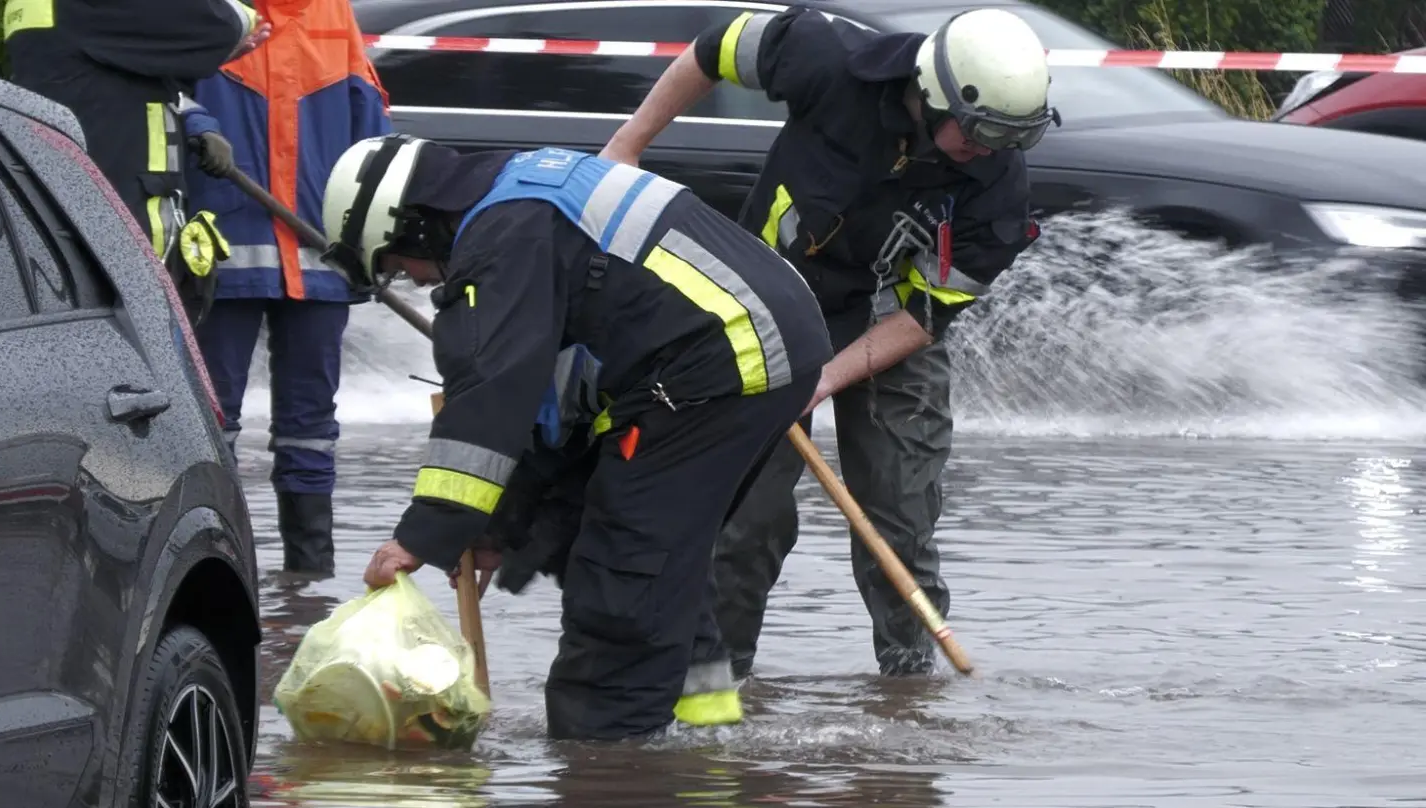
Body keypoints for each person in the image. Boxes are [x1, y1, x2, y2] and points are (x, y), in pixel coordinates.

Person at [323, 135, 834, 740]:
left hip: (719, 361)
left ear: (409, 224)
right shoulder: (521, 193)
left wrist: (423, 534)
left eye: (394, 265)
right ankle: (703, 731)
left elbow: (490, 396)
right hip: (753, 347)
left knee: (623, 568)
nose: (410, 278)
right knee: (647, 550)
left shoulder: (503, 237)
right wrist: (499, 525)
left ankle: (605, 760)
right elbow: (547, 397)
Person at [599, 7, 1058, 678]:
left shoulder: (999, 186)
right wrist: (627, 147)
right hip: (763, 314)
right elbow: (712, 49)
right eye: (981, 131)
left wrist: (822, 381)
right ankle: (718, 684)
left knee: (899, 520)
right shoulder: (824, 56)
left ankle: (910, 692)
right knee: (748, 518)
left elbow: (923, 317)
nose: (990, 150)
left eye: (1011, 138)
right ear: (935, 94)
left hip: (886, 329)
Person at [180, 0, 393, 577]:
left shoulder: (330, 13)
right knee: (211, 420)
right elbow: (163, 90)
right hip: (224, 248)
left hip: (318, 255)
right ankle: (212, 570)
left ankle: (309, 579)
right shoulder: (213, 9)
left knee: (311, 429)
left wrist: (378, 239)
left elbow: (371, 130)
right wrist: (196, 124)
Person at [2, 0, 270, 319]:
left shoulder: (67, 17)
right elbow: (224, 23)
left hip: (85, 241)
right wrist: (227, 31)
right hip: (121, 259)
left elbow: (128, 74)